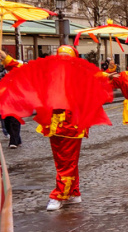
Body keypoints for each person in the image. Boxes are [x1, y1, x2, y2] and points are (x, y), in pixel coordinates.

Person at [2, 47, 98, 209]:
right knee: (63, 160)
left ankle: (59, 194)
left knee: (66, 161)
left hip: (72, 123)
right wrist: (6, 59)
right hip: (54, 123)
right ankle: (74, 192)